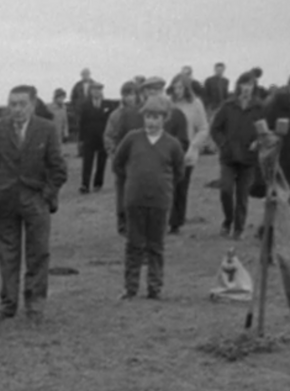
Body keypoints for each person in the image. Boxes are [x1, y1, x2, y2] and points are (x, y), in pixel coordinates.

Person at [0, 85, 68, 323]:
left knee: (38, 253)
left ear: (33, 104)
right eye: (13, 104)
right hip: (3, 202)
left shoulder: (46, 129)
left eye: (22, 104)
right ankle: (7, 304)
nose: (17, 109)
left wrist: (47, 195)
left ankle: (35, 305)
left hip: (35, 200)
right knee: (7, 256)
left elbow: (58, 168)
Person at [113, 96, 184, 300]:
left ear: (164, 119)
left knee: (156, 245)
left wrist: (162, 185)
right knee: (134, 244)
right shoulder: (132, 139)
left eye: (156, 117)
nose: (151, 122)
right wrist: (133, 180)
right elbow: (118, 163)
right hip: (135, 199)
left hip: (160, 201)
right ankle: (130, 287)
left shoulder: (172, 144)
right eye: (148, 117)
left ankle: (155, 287)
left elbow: (179, 172)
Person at [210, 71, 265, 239]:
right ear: (239, 85)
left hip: (248, 158)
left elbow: (265, 131)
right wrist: (223, 143)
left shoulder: (259, 108)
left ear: (254, 87)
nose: (247, 88)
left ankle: (239, 229)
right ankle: (228, 221)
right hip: (229, 156)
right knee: (226, 190)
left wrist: (258, 142)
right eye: (244, 84)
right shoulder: (228, 106)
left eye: (250, 85)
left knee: (242, 196)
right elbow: (215, 128)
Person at [167, 74, 210, 235]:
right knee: (167, 186)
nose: (177, 91)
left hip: (187, 152)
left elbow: (203, 128)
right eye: (175, 87)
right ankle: (166, 218)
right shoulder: (169, 104)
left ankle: (176, 222)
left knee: (181, 187)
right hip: (169, 150)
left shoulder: (196, 104)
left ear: (186, 88)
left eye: (180, 87)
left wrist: (194, 146)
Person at [104, 80, 145, 234]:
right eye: (126, 95)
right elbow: (109, 136)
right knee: (122, 191)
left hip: (141, 159)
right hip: (122, 159)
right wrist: (114, 154)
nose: (130, 98)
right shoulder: (116, 115)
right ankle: (122, 221)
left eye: (132, 94)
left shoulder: (144, 113)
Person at [78, 81, 112, 193]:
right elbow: (82, 122)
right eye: (94, 90)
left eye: (99, 90)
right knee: (87, 162)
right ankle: (85, 184)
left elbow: (110, 122)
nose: (97, 92)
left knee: (102, 161)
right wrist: (81, 139)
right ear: (91, 91)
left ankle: (98, 183)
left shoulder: (108, 105)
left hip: (103, 137)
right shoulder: (85, 105)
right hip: (89, 137)